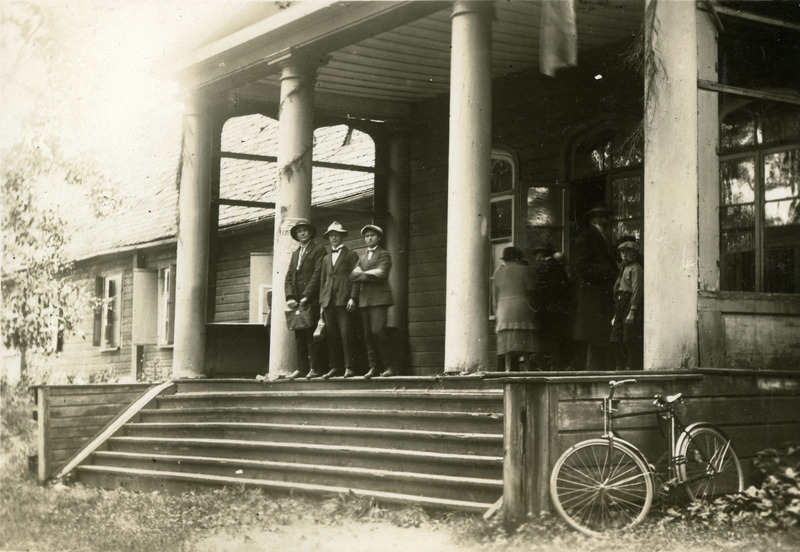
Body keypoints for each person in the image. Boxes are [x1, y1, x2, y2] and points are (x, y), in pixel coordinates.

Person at [570, 203, 618, 371]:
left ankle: (595, 369)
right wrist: (608, 273)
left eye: (607, 216)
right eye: (602, 216)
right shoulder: (587, 237)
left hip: (601, 293)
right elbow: (580, 266)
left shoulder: (603, 236)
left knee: (598, 334)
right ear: (594, 218)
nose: (606, 220)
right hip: (592, 293)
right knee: (593, 334)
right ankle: (586, 371)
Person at [349, 224, 396, 378]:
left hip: (379, 299)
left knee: (378, 331)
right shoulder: (361, 258)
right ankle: (373, 367)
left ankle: (389, 366)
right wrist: (353, 297)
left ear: (379, 237)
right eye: (367, 236)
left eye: (372, 235)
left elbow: (381, 274)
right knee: (368, 335)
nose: (369, 238)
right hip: (364, 300)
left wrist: (361, 274)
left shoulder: (384, 254)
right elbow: (352, 277)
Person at [284, 219, 326, 379]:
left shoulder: (319, 250)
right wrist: (289, 297)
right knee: (299, 335)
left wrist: (306, 296)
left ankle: (316, 368)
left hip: (312, 300)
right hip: (297, 303)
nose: (302, 233)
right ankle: (301, 368)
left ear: (310, 233)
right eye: (299, 231)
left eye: (305, 230)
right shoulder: (295, 254)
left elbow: (317, 274)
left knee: (312, 335)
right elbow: (288, 276)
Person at [319, 221, 360, 378]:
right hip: (329, 302)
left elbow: (356, 278)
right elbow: (323, 282)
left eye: (337, 235)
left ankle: (349, 367)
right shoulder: (325, 258)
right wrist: (322, 302)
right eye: (331, 235)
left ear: (342, 236)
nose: (334, 237)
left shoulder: (351, 255)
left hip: (344, 301)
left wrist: (353, 298)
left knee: (346, 334)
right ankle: (334, 367)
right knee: (332, 335)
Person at [492, 246, 537, 372]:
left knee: (507, 347)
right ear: (518, 258)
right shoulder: (524, 270)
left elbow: (495, 297)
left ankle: (507, 369)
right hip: (522, 309)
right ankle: (527, 368)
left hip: (504, 311)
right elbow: (531, 288)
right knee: (525, 345)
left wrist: (496, 312)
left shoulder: (498, 272)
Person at [530, 245, 572, 370]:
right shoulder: (559, 267)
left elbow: (539, 291)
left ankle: (547, 366)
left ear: (543, 254)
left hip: (546, 310)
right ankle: (558, 365)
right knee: (558, 338)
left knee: (546, 339)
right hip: (559, 309)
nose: (536, 258)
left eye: (538, 255)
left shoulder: (544, 268)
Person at [611, 237, 644, 370]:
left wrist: (632, 311)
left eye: (628, 251)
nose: (624, 254)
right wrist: (615, 314)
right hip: (620, 303)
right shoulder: (623, 267)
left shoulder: (636, 268)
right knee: (615, 338)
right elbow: (617, 288)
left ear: (634, 253)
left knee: (629, 339)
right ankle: (620, 366)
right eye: (622, 251)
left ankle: (632, 367)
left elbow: (637, 290)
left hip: (629, 303)